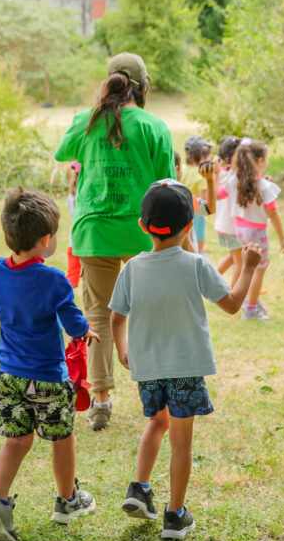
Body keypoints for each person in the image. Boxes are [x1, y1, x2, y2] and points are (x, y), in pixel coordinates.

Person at [109, 179, 262, 540]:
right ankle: (175, 515)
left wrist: (122, 348)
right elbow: (232, 304)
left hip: (148, 368)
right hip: (186, 369)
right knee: (181, 442)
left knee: (156, 423)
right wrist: (249, 267)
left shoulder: (132, 268)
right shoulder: (196, 264)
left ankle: (139, 488)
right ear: (190, 226)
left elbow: (116, 318)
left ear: (143, 225)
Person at [53, 52, 175, 431]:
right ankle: (155, 393)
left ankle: (102, 399)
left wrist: (93, 112)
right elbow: (167, 183)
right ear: (144, 86)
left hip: (94, 233)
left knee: (98, 316)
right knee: (148, 312)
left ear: (109, 83)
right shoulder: (154, 126)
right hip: (143, 232)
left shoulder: (87, 121)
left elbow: (62, 153)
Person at [0, 189, 101, 541]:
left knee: (16, 440)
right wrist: (85, 330)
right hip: (47, 381)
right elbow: (72, 321)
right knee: (61, 438)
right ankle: (68, 501)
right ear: (46, 240)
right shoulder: (53, 279)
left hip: (8, 377)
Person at [219, 139, 284, 321]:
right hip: (257, 232)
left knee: (248, 266)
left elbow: (218, 195)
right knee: (259, 269)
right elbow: (273, 213)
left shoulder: (235, 180)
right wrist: (282, 238)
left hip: (240, 231)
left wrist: (211, 179)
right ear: (260, 161)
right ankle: (251, 308)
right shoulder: (264, 186)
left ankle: (249, 300)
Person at [212, 135, 243, 282]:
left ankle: (210, 281)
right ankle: (236, 290)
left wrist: (216, 174)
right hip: (232, 227)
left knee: (233, 257)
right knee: (240, 262)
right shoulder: (234, 176)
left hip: (225, 225)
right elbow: (218, 194)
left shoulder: (222, 173)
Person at [180, 135, 215, 254]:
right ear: (202, 157)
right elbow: (205, 202)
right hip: (197, 214)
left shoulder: (182, 169)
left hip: (183, 213)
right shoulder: (201, 175)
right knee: (198, 249)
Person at [64, 160, 82, 288]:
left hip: (74, 236)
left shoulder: (71, 195)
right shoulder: (87, 193)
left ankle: (70, 287)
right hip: (87, 236)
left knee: (72, 275)